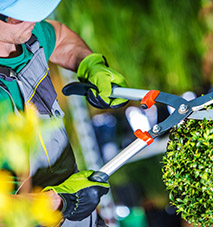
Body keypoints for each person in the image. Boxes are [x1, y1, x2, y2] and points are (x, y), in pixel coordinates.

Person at [0, 0, 128, 226]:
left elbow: (58, 36)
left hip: (77, 217)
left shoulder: (27, 36)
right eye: (19, 17)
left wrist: (90, 65)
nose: (34, 20)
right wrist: (56, 202)